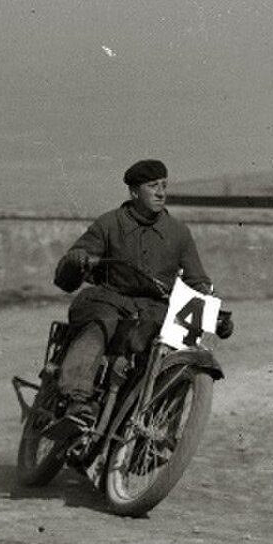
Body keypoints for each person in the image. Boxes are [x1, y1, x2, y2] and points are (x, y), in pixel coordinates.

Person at [49, 159, 213, 428]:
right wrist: (76, 259)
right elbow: (67, 275)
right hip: (109, 300)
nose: (161, 192)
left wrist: (211, 303)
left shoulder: (178, 233)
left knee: (180, 347)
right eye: (152, 186)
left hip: (153, 310)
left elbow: (197, 280)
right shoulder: (109, 224)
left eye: (164, 186)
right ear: (134, 192)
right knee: (101, 324)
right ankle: (77, 401)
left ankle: (161, 428)